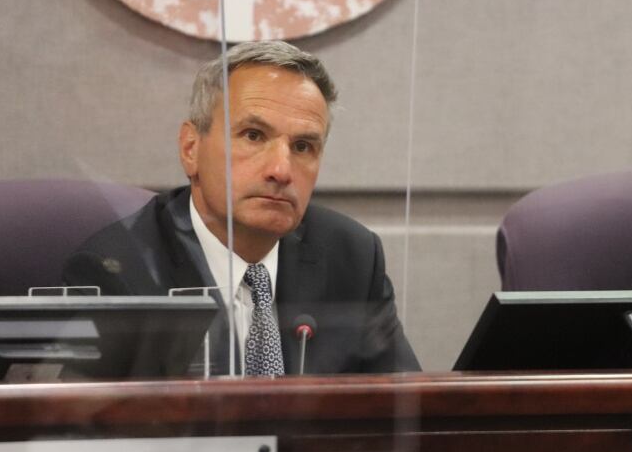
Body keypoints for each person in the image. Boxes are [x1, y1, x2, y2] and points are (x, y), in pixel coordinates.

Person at [62, 41, 420, 376]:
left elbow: (408, 414)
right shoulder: (119, 275)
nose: (281, 170)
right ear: (191, 148)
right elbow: (80, 433)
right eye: (253, 135)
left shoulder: (352, 257)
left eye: (302, 146)